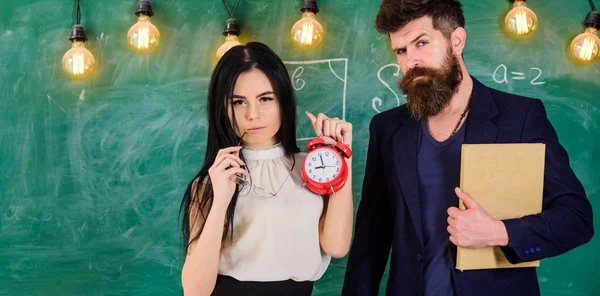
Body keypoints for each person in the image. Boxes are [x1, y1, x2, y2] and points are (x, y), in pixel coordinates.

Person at [342, 1, 594, 295]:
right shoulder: (387, 129)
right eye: (401, 50)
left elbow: (576, 218)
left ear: (456, 40)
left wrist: (500, 233)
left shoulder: (521, 117)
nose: (411, 61)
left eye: (421, 43)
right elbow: (371, 238)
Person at [180, 42, 354, 296]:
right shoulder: (213, 180)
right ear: (223, 109)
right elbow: (195, 291)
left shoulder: (314, 167)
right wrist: (220, 202)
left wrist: (340, 157)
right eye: (239, 102)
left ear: (283, 99)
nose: (253, 114)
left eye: (265, 99)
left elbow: (336, 246)